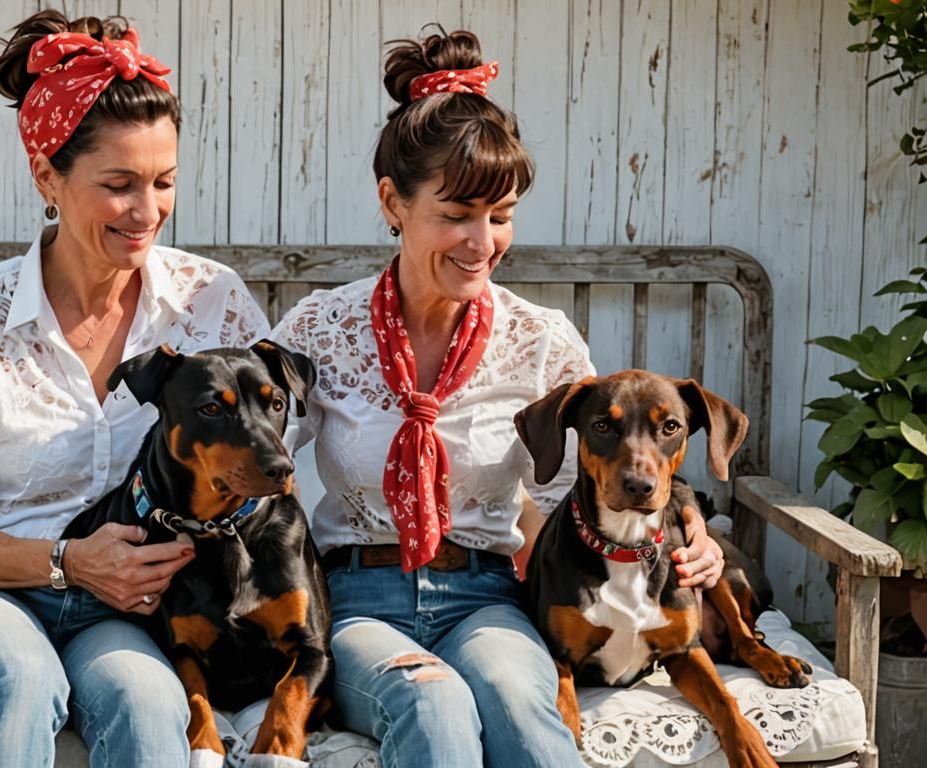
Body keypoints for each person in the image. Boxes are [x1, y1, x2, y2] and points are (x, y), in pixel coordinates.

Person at [270, 27, 725, 767]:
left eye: (501, 214)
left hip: (484, 597)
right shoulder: (322, 328)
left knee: (520, 700)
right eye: (456, 214)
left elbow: (600, 482)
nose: (482, 241)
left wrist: (689, 525)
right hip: (356, 598)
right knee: (431, 700)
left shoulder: (541, 341)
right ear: (393, 201)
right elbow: (255, 467)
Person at [0, 11, 270, 767]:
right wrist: (68, 561)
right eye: (119, 185)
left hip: (124, 614)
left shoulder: (209, 302)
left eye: (163, 183)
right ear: (47, 177)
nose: (148, 211)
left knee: (149, 702)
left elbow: (262, 442)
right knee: (17, 677)